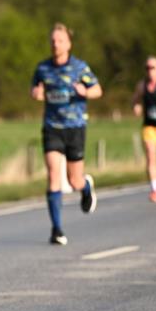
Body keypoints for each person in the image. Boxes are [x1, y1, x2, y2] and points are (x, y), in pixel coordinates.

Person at [30, 23, 101, 245]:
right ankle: (56, 229)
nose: (55, 44)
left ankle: (86, 187)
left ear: (68, 44)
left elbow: (98, 90)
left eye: (59, 40)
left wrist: (85, 91)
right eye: (52, 40)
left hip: (75, 127)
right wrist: (37, 93)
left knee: (74, 180)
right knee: (53, 176)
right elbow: (36, 91)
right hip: (52, 128)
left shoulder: (80, 68)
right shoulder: (43, 68)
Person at [131, 56, 156, 203]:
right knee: (150, 156)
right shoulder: (142, 85)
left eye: (153, 67)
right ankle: (155, 189)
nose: (150, 71)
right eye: (147, 68)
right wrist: (136, 106)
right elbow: (134, 99)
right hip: (149, 126)